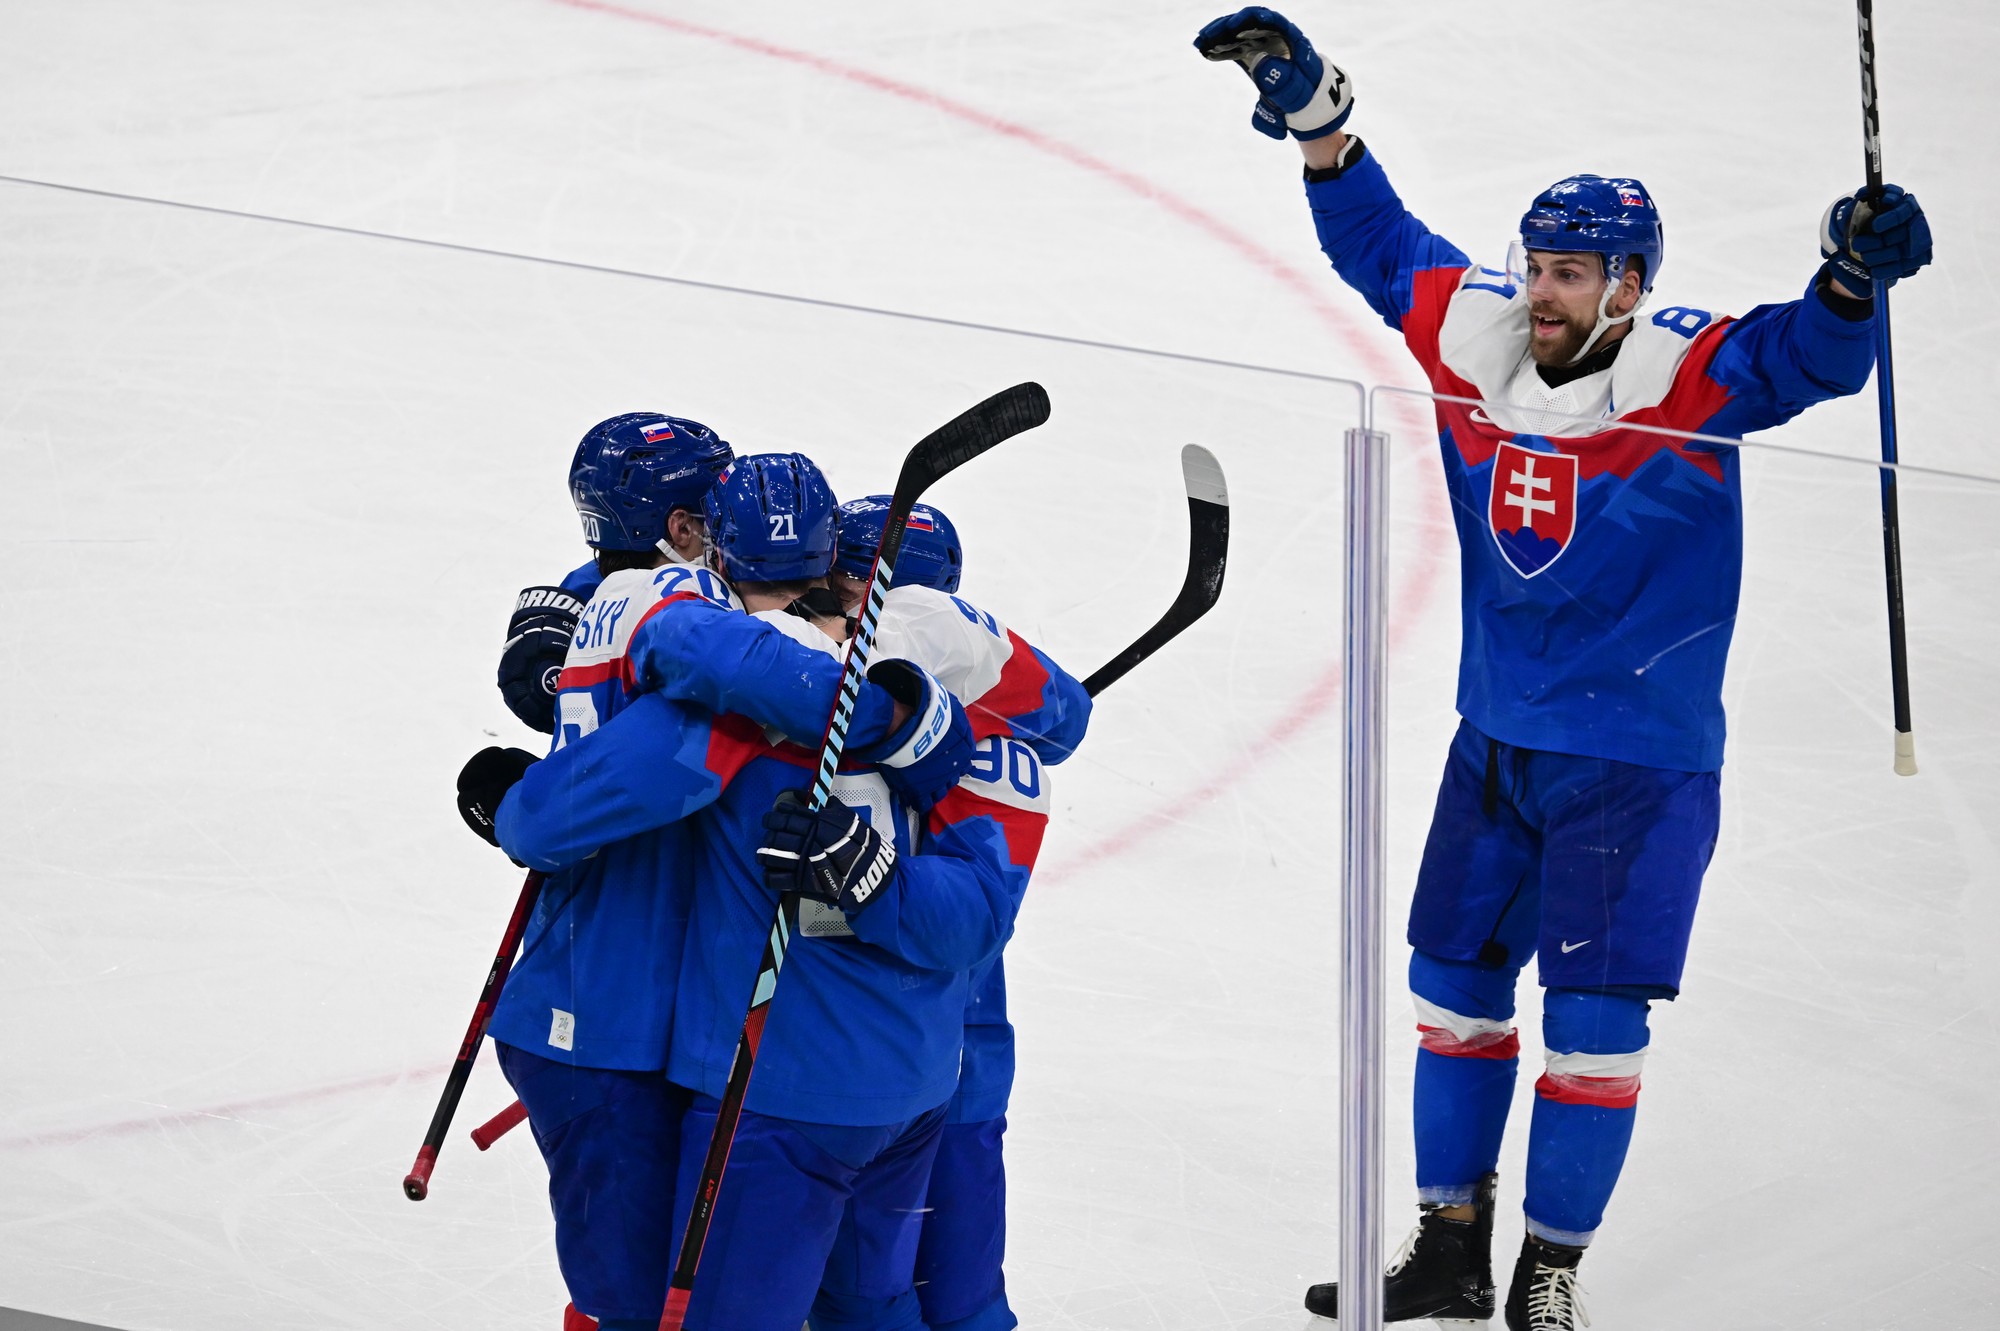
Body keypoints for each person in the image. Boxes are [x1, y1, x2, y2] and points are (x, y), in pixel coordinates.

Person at [1195, 8, 1933, 1328]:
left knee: (1591, 1027)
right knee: (1452, 996)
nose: (1542, 290)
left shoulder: (1689, 375)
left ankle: (1549, 1270)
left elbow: (1805, 357)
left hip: (1635, 766)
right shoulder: (1478, 339)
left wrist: (1846, 280)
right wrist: (1319, 125)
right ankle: (1450, 1244)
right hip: (1496, 739)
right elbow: (1380, 245)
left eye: (1573, 272)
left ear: (1629, 285)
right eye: (1536, 264)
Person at [482, 453, 1087, 1331]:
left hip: (779, 1086)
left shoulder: (757, 699)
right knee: (907, 1306)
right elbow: (983, 899)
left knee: (695, 1309)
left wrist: (527, 773)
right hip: (932, 1086)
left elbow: (579, 794)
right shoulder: (1003, 743)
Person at [815, 496, 1089, 1331]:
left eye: (839, 580)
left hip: (899, 1053)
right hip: (962, 1060)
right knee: (961, 1295)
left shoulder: (894, 667)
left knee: (875, 1290)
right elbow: (1067, 713)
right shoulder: (1001, 730)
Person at [495, 411, 730, 736]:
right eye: (714, 515)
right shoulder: (689, 621)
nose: (725, 528)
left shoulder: (585, 595)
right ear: (682, 528)